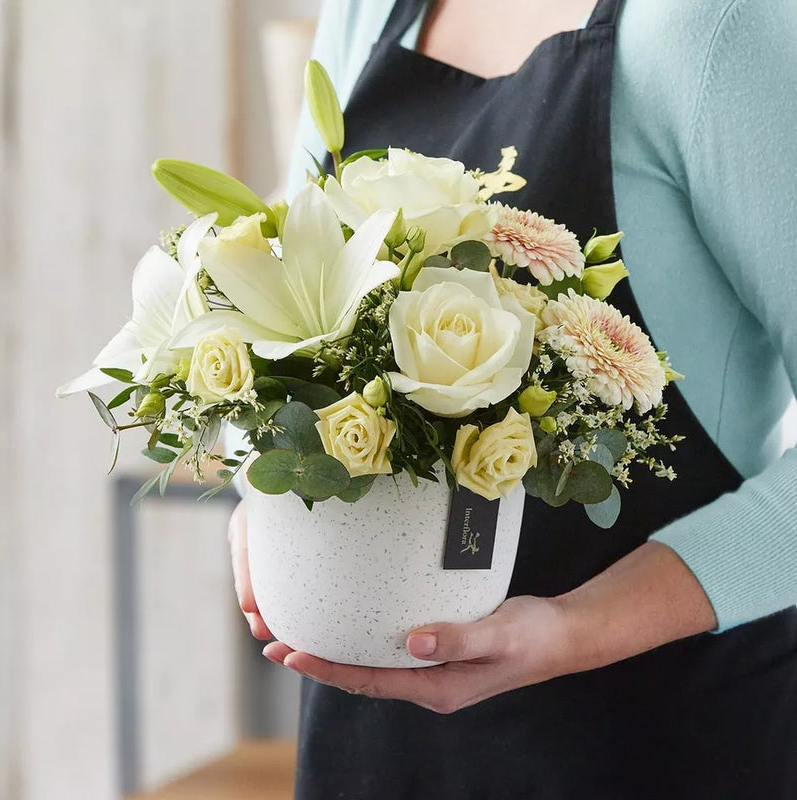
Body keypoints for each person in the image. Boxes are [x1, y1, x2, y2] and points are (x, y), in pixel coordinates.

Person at [227, 1, 797, 796]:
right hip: (371, 749)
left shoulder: (716, 28)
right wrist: (261, 491)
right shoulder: (366, 10)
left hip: (654, 739)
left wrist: (574, 631)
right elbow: (274, 305)